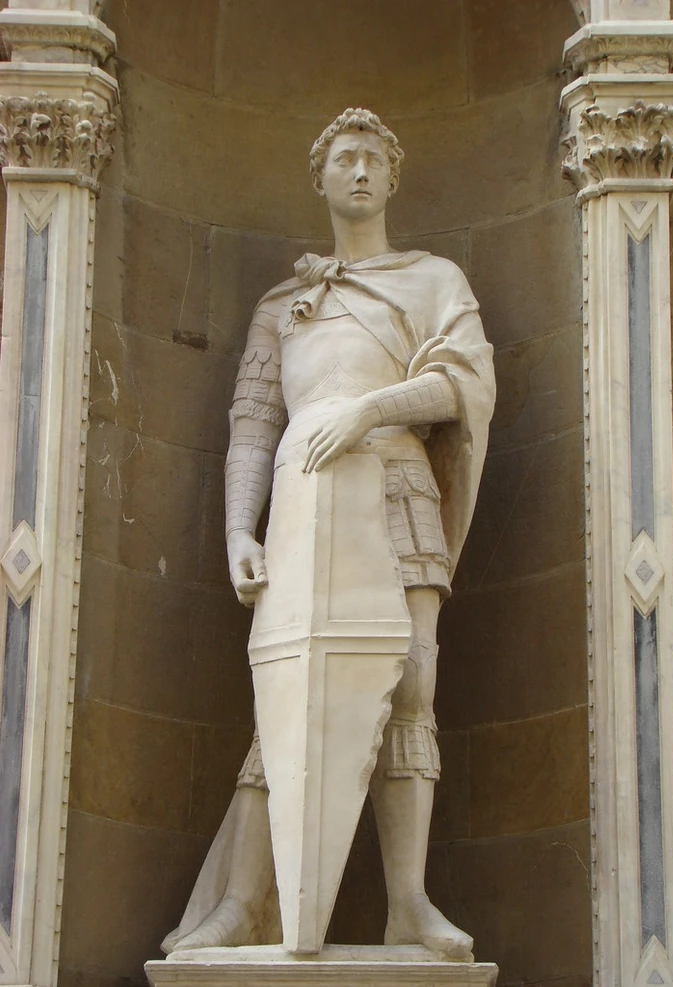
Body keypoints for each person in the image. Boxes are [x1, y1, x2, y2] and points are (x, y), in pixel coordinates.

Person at [163, 108, 495, 961]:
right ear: (320, 178)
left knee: (409, 685)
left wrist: (368, 409)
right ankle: (242, 904)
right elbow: (253, 421)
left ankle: (409, 903)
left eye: (372, 159)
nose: (358, 171)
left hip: (395, 486)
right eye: (344, 158)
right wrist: (242, 527)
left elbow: (459, 382)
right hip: (302, 503)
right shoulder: (284, 303)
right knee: (286, 694)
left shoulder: (431, 281)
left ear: (393, 176)